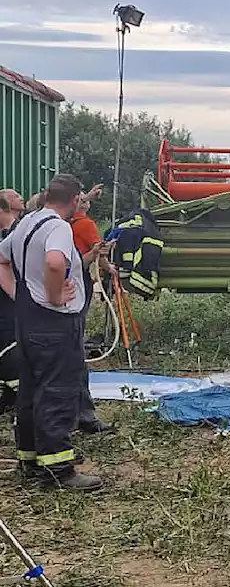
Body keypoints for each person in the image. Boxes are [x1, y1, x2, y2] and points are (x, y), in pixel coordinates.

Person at [0, 174, 101, 491]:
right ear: (73, 201)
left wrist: (21, 293)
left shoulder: (27, 222)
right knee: (56, 392)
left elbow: (1, 259)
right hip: (55, 324)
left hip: (28, 322)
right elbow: (56, 263)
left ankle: (30, 459)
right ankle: (58, 470)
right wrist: (55, 296)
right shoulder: (58, 226)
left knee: (31, 391)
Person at [67, 186, 116, 436]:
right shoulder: (83, 224)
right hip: (74, 285)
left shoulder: (60, 223)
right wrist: (110, 267)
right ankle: (83, 416)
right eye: (81, 197)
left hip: (60, 290)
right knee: (74, 352)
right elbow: (98, 251)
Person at [0, 189, 24, 414]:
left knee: (10, 345)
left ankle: (14, 397)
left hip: (13, 304)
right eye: (15, 195)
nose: (21, 197)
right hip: (9, 303)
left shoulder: (20, 230)